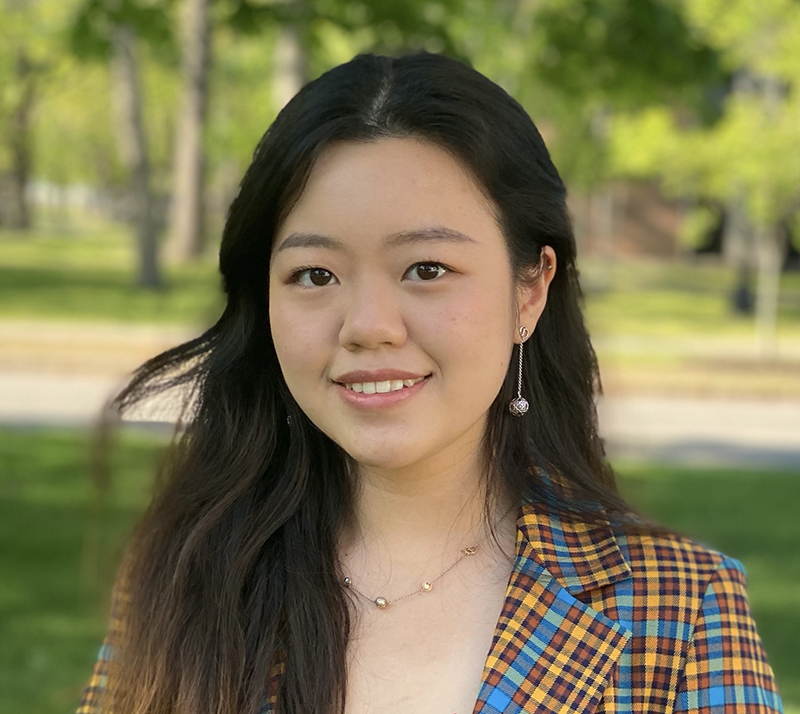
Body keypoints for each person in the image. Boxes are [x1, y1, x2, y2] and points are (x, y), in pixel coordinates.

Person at [77, 52, 783, 714]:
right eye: (315, 276)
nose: (368, 326)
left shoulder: (681, 609)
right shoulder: (185, 576)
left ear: (530, 292)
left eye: (426, 269)